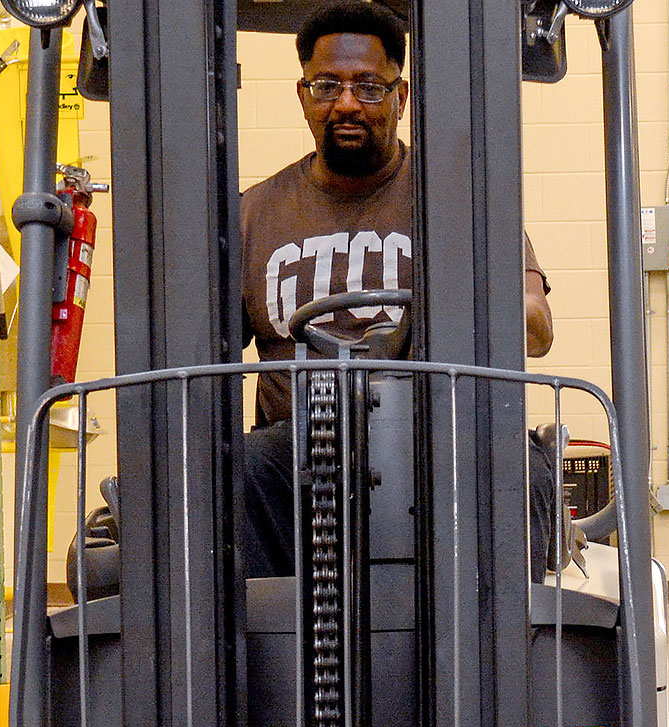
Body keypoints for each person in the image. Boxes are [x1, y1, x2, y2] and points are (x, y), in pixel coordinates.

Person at [238, 0, 556, 577]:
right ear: (304, 97)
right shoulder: (254, 214)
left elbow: (537, 332)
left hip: (435, 437)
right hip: (295, 452)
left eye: (369, 87)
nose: (346, 104)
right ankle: (255, 657)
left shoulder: (461, 200)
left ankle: (499, 653)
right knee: (225, 474)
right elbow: (188, 346)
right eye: (327, 85)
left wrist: (458, 293)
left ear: (402, 98)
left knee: (522, 469)